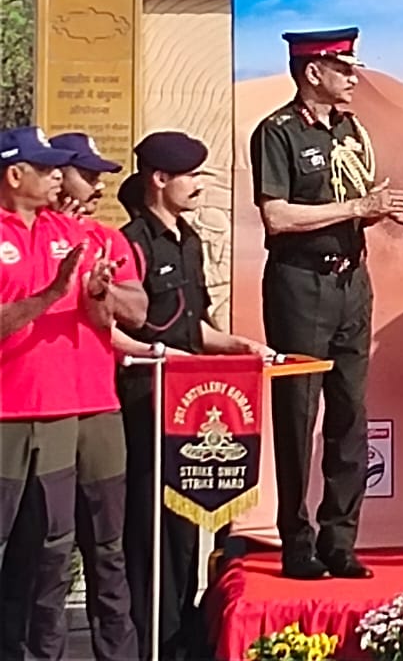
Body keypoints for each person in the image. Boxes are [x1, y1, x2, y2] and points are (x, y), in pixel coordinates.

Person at [248, 27, 403, 580]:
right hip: (301, 285)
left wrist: (381, 208)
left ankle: (340, 539)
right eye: (343, 70)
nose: (352, 79)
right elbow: (277, 216)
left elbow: (355, 201)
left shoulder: (350, 129)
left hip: (351, 280)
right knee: (298, 413)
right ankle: (296, 540)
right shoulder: (278, 131)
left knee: (350, 414)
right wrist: (357, 208)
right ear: (313, 72)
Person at [118, 131, 273, 659]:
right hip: (145, 398)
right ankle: (152, 641)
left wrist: (242, 347)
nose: (199, 185)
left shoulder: (189, 240)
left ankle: (184, 634)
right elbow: (119, 328)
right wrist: (162, 356)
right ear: (159, 179)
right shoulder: (131, 243)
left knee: (186, 526)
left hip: (188, 404)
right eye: (191, 176)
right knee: (150, 530)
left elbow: (194, 326)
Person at [0, 134, 145, 661]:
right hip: (11, 413)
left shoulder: (76, 234)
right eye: (48, 168)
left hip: (74, 410)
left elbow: (124, 312)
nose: (59, 177)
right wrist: (48, 296)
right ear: (15, 174)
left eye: (64, 169)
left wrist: (100, 291)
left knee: (63, 549)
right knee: (25, 554)